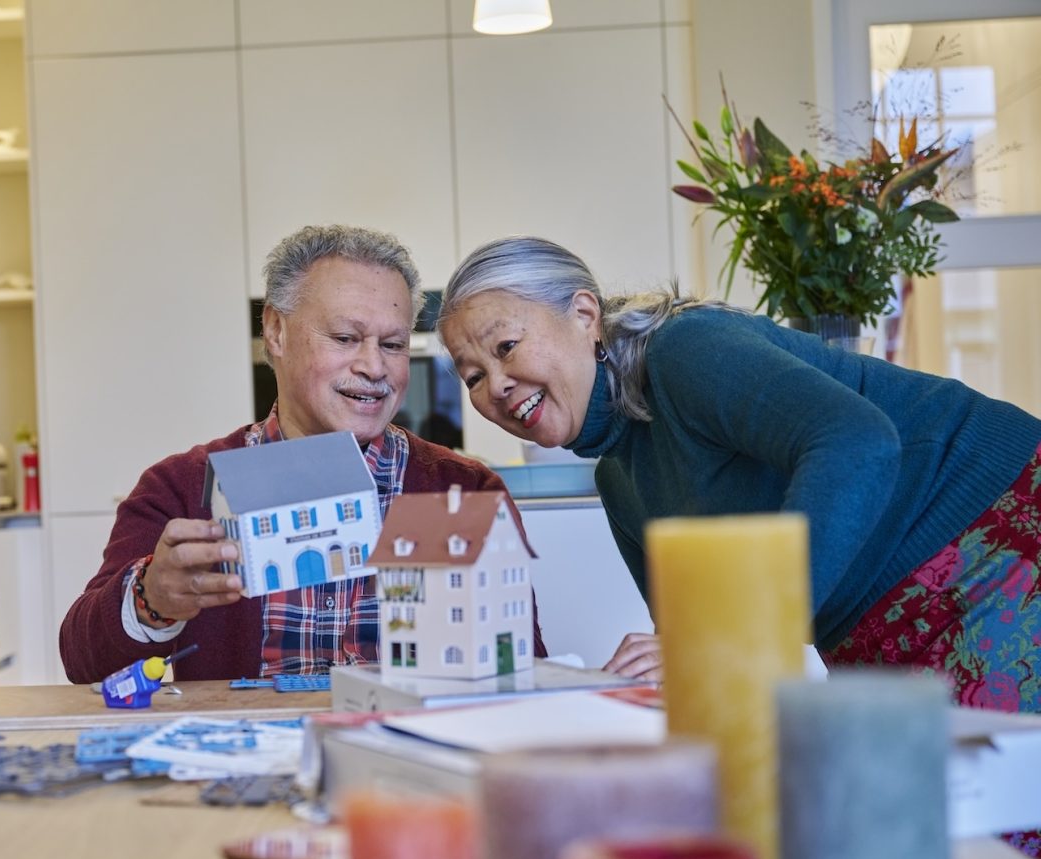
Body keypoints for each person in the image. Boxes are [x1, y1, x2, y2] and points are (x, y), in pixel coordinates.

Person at [438, 235, 1041, 715]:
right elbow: (697, 644)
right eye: (471, 376)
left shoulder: (684, 349)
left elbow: (857, 443)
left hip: (990, 541)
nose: (495, 385)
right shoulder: (618, 480)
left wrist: (730, 637)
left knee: (988, 831)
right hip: (876, 624)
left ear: (585, 314)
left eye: (507, 346)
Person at [60, 225, 546, 683]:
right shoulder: (182, 488)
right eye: (345, 338)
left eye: (393, 344)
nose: (374, 367)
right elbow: (83, 662)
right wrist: (152, 598)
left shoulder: (462, 490)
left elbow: (520, 670)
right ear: (275, 330)